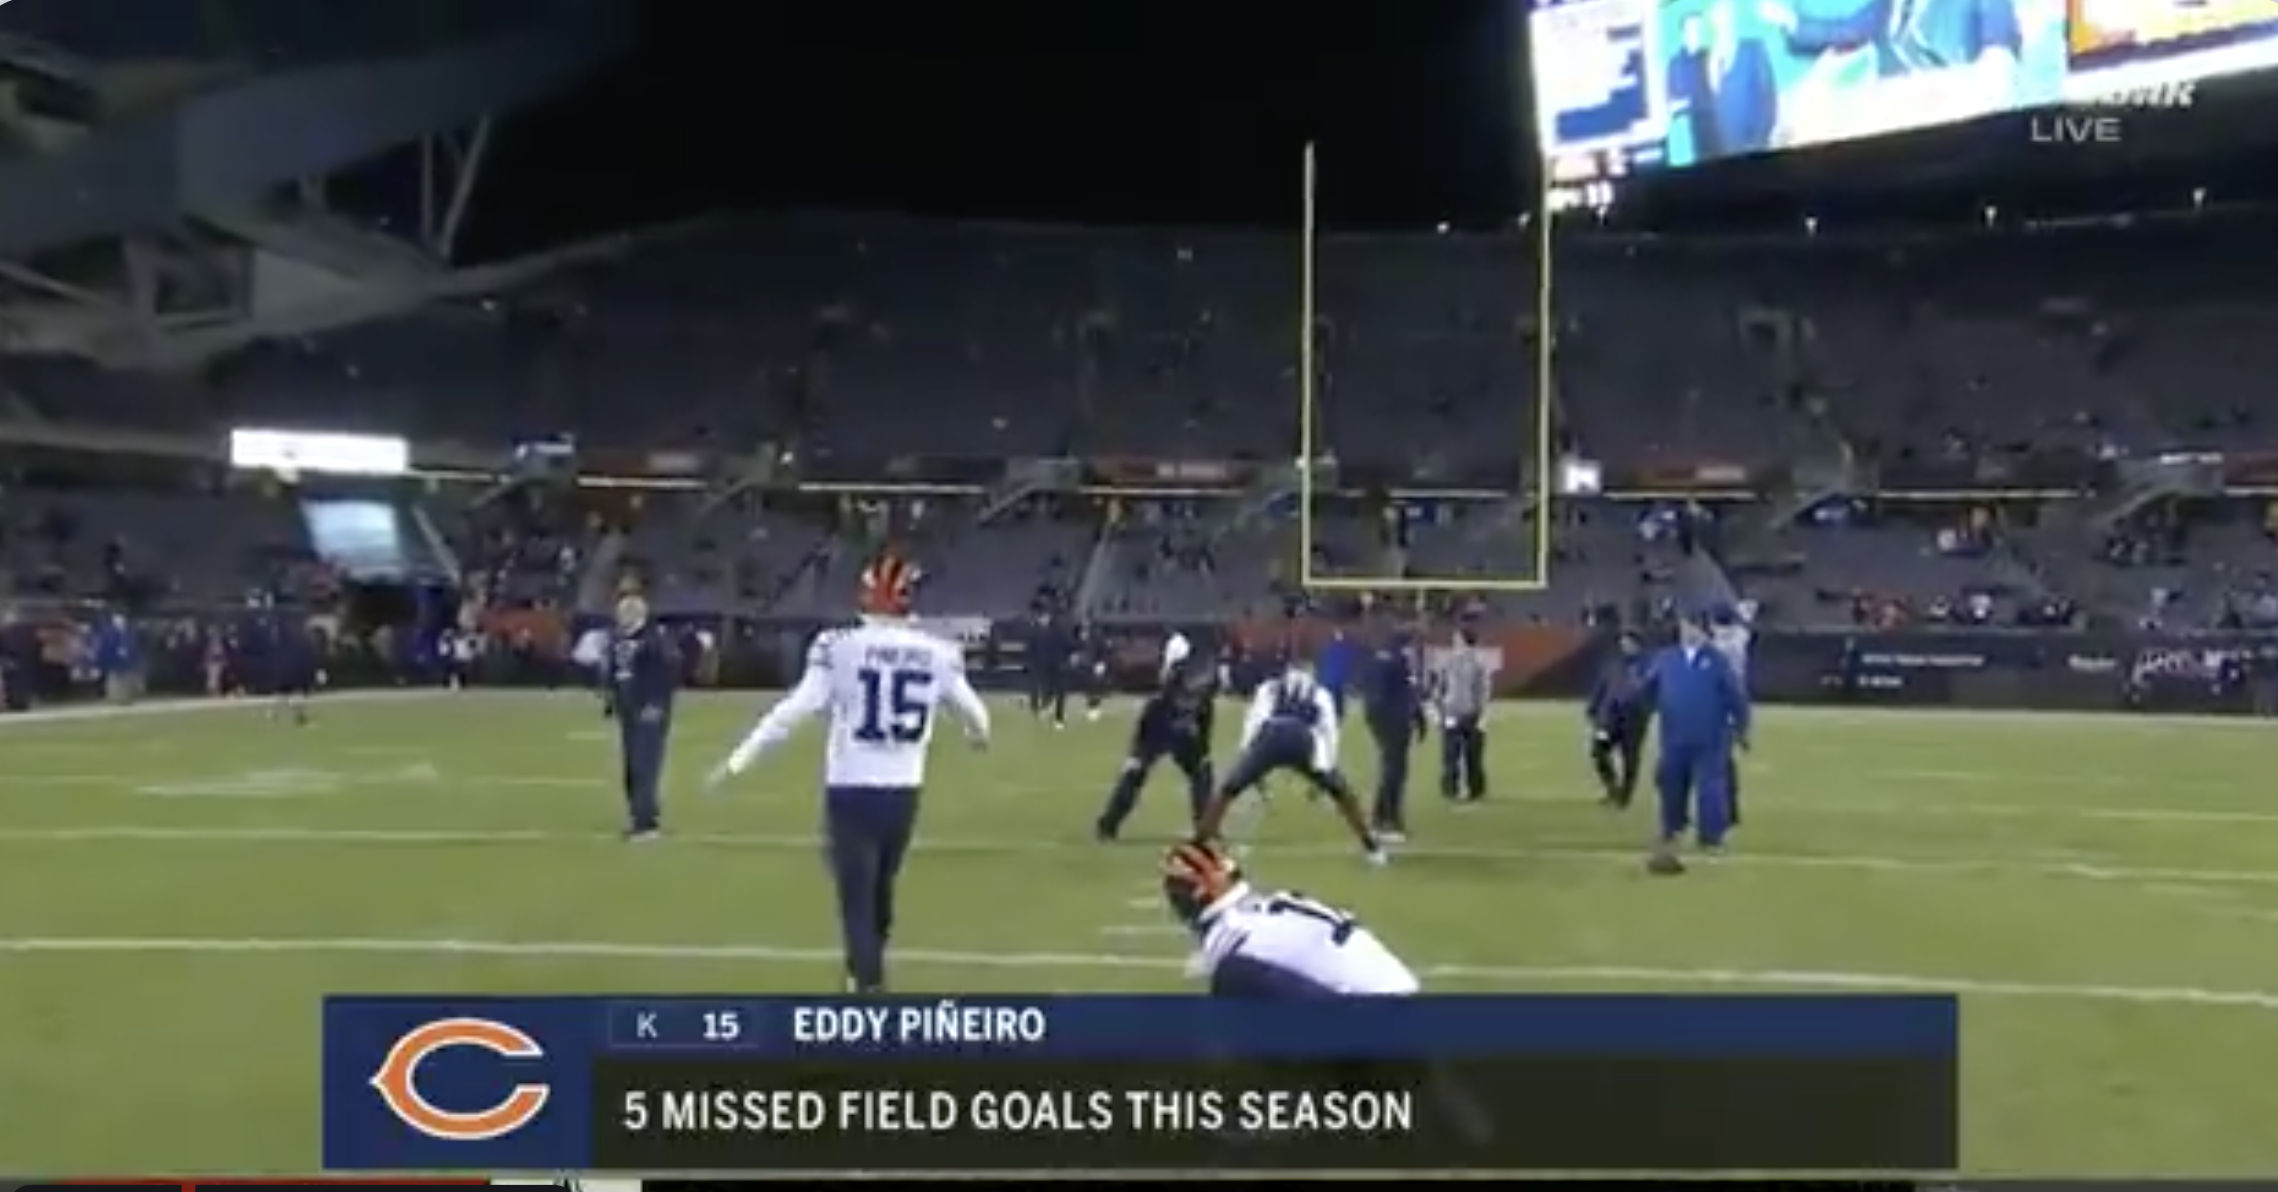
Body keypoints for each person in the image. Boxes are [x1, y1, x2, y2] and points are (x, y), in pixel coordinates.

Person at [705, 556, 990, 993]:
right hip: (904, 790)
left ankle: (867, 979)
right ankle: (871, 963)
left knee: (855, 895)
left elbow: (792, 712)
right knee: (880, 887)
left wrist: (739, 759)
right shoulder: (939, 652)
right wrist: (977, 737)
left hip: (852, 787)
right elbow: (974, 712)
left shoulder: (837, 646)